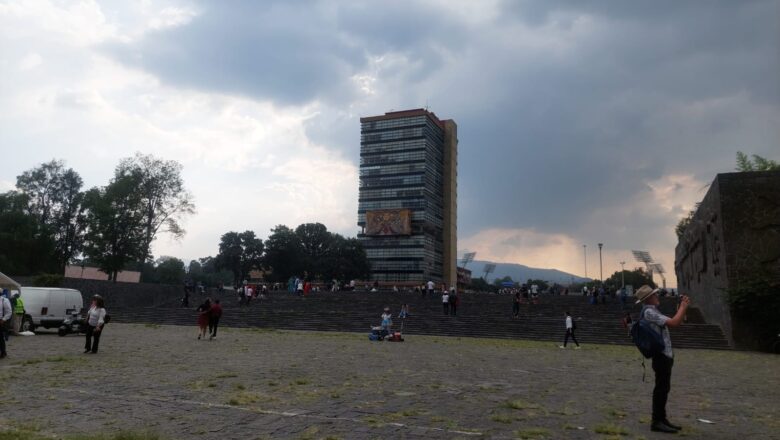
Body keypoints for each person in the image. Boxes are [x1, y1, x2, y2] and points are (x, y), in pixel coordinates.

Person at [635, 285, 690, 434]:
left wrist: (681, 308)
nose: (657, 296)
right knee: (661, 389)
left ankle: (662, 418)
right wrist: (683, 306)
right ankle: (657, 421)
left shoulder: (652, 311)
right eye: (654, 295)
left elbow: (675, 322)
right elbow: (674, 323)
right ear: (649, 299)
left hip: (665, 355)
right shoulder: (649, 312)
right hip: (661, 356)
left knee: (664, 388)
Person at [0, 291, 12, 358]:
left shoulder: (4, 300)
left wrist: (3, 319)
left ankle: (3, 352)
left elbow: (9, 311)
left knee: (0, 338)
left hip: (0, 321)